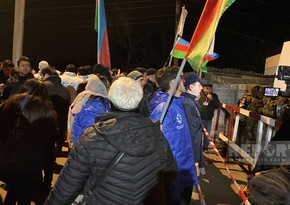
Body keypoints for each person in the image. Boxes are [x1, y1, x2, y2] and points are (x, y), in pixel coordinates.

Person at [45, 77, 177, 205]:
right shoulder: (156, 134)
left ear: (110, 102)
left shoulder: (92, 136)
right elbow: (171, 172)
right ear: (140, 102)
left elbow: (68, 185)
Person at [0, 80, 57, 205]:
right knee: (23, 195)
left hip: (6, 162)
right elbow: (49, 149)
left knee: (14, 190)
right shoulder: (45, 111)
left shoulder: (7, 105)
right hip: (30, 166)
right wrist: (47, 180)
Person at [150, 66, 198, 205]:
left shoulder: (176, 102)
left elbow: (183, 142)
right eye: (182, 77)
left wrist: (193, 164)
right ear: (173, 82)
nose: (185, 80)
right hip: (175, 178)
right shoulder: (164, 108)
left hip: (183, 171)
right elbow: (167, 150)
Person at [67, 75, 111, 148]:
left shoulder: (84, 98)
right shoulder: (90, 105)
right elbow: (89, 130)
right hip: (89, 147)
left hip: (85, 145)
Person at [41, 66, 71, 153]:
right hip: (60, 123)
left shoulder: (42, 86)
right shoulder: (65, 90)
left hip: (45, 121)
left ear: (45, 75)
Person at [182, 72, 206, 174]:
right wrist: (195, 162)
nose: (201, 88)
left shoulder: (190, 102)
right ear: (191, 87)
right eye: (199, 85)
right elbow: (191, 136)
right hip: (189, 158)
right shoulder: (188, 104)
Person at [198, 83, 221, 151]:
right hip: (199, 118)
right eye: (207, 88)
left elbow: (217, 105)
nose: (208, 90)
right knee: (198, 134)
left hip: (208, 119)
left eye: (210, 89)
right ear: (203, 88)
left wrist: (212, 99)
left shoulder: (214, 96)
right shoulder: (199, 94)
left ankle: (205, 147)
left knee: (207, 134)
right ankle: (198, 147)